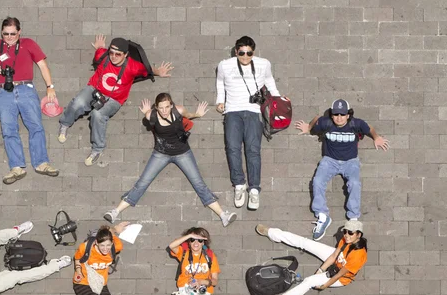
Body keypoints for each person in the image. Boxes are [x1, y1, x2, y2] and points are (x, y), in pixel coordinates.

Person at [103, 93, 237, 227]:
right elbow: (149, 118)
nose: (164, 111)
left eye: (167, 107)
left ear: (171, 105)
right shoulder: (151, 115)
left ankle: (223, 215)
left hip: (183, 153)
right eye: (161, 108)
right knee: (143, 182)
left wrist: (197, 114)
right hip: (161, 153)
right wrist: (146, 112)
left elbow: (188, 116)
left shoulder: (178, 110)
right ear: (156, 108)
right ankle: (115, 212)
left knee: (199, 183)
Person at [58, 35, 174, 166]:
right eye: (111, 52)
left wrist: (159, 71)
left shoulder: (134, 67)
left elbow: (147, 70)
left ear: (125, 55)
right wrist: (100, 47)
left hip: (114, 98)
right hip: (94, 89)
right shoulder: (102, 56)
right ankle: (65, 124)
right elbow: (100, 51)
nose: (113, 57)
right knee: (78, 102)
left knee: (98, 115)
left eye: (118, 54)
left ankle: (97, 149)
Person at [0, 16, 59, 185]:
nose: (9, 37)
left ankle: (41, 163)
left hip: (25, 89)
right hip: (4, 91)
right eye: (6, 34)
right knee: (9, 130)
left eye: (13, 34)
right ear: (2, 32)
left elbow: (43, 65)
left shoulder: (28, 44)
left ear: (19, 32)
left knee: (36, 126)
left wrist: (50, 86)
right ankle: (16, 167)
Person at [295, 99, 390, 240]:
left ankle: (353, 219)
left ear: (348, 115)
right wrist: (308, 128)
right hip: (330, 160)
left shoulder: (356, 124)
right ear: (332, 115)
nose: (339, 118)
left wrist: (376, 138)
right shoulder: (326, 122)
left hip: (350, 161)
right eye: (336, 114)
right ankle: (322, 215)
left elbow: (369, 128)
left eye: (342, 114)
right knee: (317, 181)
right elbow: (316, 119)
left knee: (355, 184)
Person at [216, 35, 280, 211]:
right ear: (236, 51)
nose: (245, 57)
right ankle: (239, 184)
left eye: (249, 53)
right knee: (232, 148)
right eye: (241, 53)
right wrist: (220, 100)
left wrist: (278, 98)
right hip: (232, 111)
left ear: (254, 52)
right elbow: (220, 82)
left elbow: (269, 81)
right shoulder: (224, 65)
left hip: (253, 111)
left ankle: (254, 189)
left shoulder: (263, 64)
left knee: (253, 150)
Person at [255, 220, 367, 295]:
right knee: (306, 243)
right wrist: (321, 269)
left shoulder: (358, 256)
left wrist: (325, 285)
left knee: (309, 281)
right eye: (345, 232)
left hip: (341, 277)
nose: (346, 235)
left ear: (359, 235)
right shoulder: (346, 239)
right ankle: (272, 233)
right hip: (338, 259)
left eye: (351, 233)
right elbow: (334, 256)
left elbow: (339, 274)